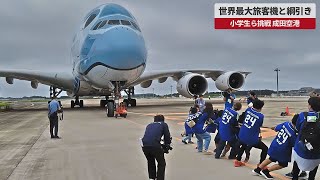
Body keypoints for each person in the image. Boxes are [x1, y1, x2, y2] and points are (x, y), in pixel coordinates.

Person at [252, 114, 298, 179]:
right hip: (282, 149)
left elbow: (276, 128)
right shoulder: (294, 133)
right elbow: (294, 144)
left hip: (275, 144)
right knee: (283, 164)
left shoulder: (286, 124)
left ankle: (257, 169)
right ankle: (266, 171)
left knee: (271, 158)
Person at [290, 97, 320, 180]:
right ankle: (311, 178)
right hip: (316, 154)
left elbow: (297, 129)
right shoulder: (319, 117)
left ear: (310, 105)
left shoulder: (303, 115)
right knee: (315, 161)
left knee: (297, 157)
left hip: (301, 151)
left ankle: (295, 176)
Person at [234, 99, 268, 167]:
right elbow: (259, 125)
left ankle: (237, 161)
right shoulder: (260, 116)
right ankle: (261, 165)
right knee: (265, 148)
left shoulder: (248, 110)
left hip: (242, 135)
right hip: (251, 139)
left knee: (244, 144)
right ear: (260, 107)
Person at [141, 115, 172, 180]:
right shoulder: (163, 124)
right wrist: (167, 145)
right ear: (163, 119)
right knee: (161, 163)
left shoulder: (149, 125)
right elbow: (167, 136)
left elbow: (150, 136)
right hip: (154, 145)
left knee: (150, 161)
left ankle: (152, 178)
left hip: (144, 145)